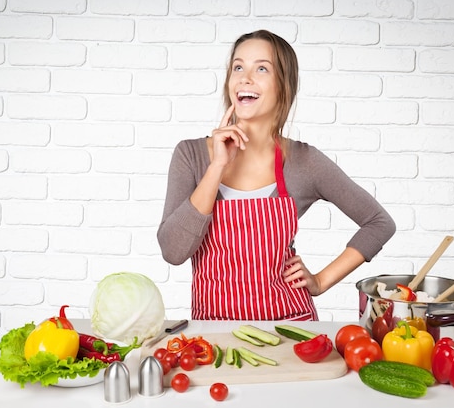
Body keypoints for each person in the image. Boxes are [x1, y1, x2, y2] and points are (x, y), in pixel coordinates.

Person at [157, 30, 396, 321]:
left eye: (261, 68)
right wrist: (216, 167)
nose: (245, 77)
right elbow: (173, 251)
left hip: (290, 329)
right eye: (238, 67)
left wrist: (320, 281)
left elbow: (379, 223)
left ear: (283, 86)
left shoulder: (304, 162)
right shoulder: (191, 155)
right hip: (213, 334)